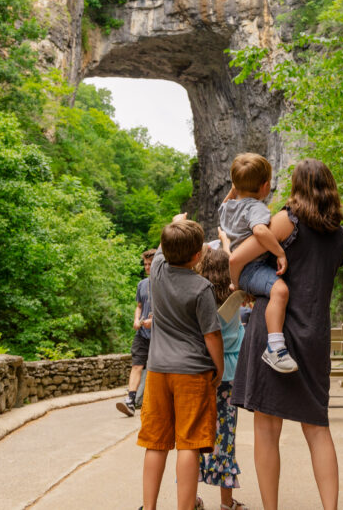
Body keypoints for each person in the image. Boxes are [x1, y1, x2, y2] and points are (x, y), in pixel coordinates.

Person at [231, 159, 343, 510]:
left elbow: (238, 256)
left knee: (268, 430)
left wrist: (243, 282)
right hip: (314, 335)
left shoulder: (286, 222)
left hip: (275, 334)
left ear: (297, 187)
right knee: (317, 427)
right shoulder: (340, 235)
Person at [138, 217, 224, 510]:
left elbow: (164, 246)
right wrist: (219, 368)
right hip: (193, 372)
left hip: (158, 370)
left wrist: (174, 222)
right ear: (197, 256)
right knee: (188, 443)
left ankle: (148, 507)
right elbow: (211, 335)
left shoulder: (157, 274)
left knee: (156, 441)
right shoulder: (201, 288)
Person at [219, 153, 296, 373]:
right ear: (265, 186)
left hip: (240, 270)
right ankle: (275, 347)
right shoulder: (256, 208)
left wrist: (235, 187)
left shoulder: (227, 208)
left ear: (234, 186)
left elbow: (227, 200)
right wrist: (279, 252)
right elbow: (260, 230)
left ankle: (274, 344)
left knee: (276, 290)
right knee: (280, 291)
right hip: (253, 267)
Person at [196, 247, 249, 510]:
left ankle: (191, 498)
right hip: (230, 374)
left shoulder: (199, 299)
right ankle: (227, 504)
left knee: (195, 436)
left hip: (204, 372)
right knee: (226, 436)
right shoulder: (236, 296)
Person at [119, 249, 156, 416]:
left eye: (150, 264)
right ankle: (130, 401)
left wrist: (153, 321)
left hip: (159, 335)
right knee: (137, 365)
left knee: (156, 369)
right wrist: (136, 320)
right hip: (142, 333)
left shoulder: (164, 284)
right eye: (145, 264)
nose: (147, 267)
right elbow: (139, 306)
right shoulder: (141, 285)